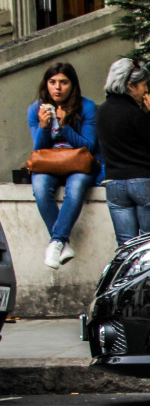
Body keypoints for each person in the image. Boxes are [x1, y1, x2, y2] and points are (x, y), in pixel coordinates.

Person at [27, 62, 102, 269]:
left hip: (80, 162)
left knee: (76, 189)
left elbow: (89, 146)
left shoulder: (86, 107)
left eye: (63, 82)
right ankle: (61, 243)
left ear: (73, 85)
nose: (57, 88)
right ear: (46, 85)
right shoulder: (36, 109)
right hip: (49, 162)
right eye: (52, 82)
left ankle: (56, 241)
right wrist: (43, 127)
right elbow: (38, 149)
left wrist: (64, 126)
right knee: (40, 189)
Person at [97, 58, 150, 245]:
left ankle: (126, 275)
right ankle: (148, 276)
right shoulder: (135, 114)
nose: (146, 90)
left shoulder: (102, 112)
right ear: (130, 86)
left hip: (114, 183)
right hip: (145, 181)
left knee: (126, 245)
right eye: (143, 85)